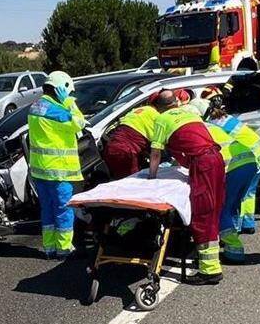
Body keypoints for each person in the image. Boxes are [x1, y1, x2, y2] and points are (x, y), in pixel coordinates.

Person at [146, 92, 227, 285]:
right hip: (216, 160)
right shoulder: (190, 113)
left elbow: (156, 153)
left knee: (202, 213)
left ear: (159, 107)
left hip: (203, 164)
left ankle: (210, 271)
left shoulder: (162, 119)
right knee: (213, 209)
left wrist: (151, 176)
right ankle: (209, 262)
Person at [26, 71, 86, 258]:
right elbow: (79, 123)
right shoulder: (57, 111)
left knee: (47, 210)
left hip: (40, 170)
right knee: (63, 210)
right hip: (58, 171)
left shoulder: (35, 106)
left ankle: (49, 247)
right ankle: (64, 248)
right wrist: (70, 103)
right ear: (62, 89)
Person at [203, 96, 260, 262]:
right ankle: (242, 226)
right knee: (239, 199)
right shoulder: (225, 119)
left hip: (237, 164)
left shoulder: (206, 127)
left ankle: (234, 249)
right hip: (250, 158)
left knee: (223, 208)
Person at [100, 102, 161, 179]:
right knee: (132, 181)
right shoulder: (158, 117)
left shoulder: (137, 110)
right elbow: (156, 148)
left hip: (112, 147)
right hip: (125, 152)